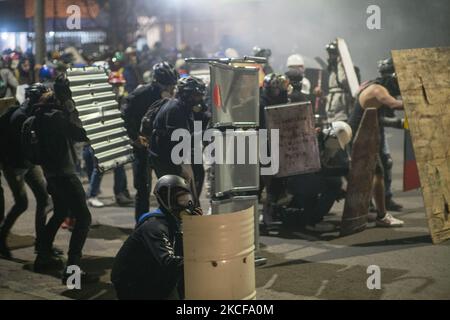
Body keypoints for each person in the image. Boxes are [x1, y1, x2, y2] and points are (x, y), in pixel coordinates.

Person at [31, 75, 98, 283]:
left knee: (59, 212)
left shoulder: (41, 113)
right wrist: (72, 111)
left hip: (51, 174)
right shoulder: (57, 117)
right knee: (84, 218)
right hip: (65, 175)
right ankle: (72, 270)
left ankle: (42, 256)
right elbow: (81, 134)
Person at [111, 175, 202, 300]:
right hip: (133, 284)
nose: (186, 205)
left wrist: (194, 230)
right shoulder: (155, 226)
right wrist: (204, 261)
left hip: (150, 274)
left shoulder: (171, 221)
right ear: (167, 199)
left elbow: (179, 251)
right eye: (181, 200)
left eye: (188, 200)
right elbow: (169, 262)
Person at [347, 57, 404, 227]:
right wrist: (419, 100)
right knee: (377, 173)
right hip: (360, 138)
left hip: (362, 136)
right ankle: (381, 216)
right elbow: (394, 104)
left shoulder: (372, 86)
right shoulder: (378, 90)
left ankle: (370, 210)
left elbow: (379, 117)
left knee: (371, 173)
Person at [0, 83, 52, 259]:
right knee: (22, 203)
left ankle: (42, 244)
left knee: (44, 198)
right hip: (15, 165)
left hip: (27, 162)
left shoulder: (31, 112)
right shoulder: (20, 116)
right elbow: (21, 146)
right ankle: (1, 237)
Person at [121, 62, 178, 221]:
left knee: (168, 186)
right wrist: (134, 137)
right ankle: (141, 225)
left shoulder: (174, 97)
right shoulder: (140, 94)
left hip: (162, 149)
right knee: (143, 189)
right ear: (156, 82)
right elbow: (124, 117)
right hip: (142, 148)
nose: (170, 89)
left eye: (172, 85)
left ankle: (168, 223)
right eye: (167, 86)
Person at [286, 121, 352, 232]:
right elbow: (321, 170)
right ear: (332, 136)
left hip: (301, 179)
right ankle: (312, 221)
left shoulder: (322, 140)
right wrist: (345, 171)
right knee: (334, 183)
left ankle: (309, 217)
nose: (336, 146)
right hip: (296, 180)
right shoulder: (314, 141)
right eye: (336, 141)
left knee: (333, 183)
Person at [148, 76, 207, 196]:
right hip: (166, 158)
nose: (199, 99)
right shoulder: (175, 109)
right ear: (186, 95)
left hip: (173, 155)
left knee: (193, 182)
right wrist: (184, 168)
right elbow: (178, 143)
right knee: (176, 195)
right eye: (196, 95)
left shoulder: (184, 107)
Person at [259, 74, 290, 227]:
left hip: (277, 146)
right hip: (264, 148)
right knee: (266, 184)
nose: (280, 93)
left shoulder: (280, 102)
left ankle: (271, 213)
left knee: (276, 184)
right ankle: (264, 217)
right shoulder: (261, 104)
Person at [324, 40, 354, 123]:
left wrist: (340, 63)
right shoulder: (333, 72)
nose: (330, 57)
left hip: (342, 113)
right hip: (331, 112)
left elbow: (343, 80)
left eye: (332, 54)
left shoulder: (344, 69)